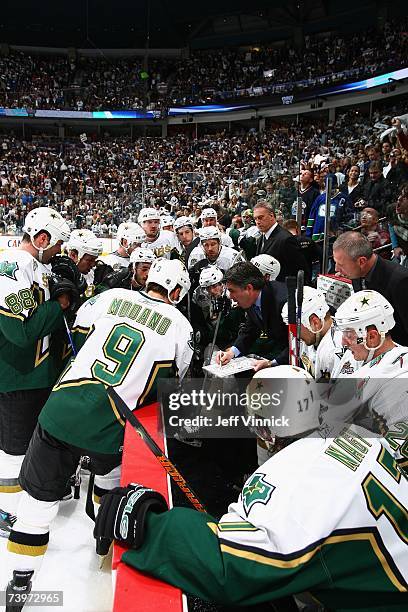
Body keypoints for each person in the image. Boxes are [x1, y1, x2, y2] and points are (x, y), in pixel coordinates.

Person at [94, 364, 408, 610]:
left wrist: (155, 526)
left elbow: (232, 566)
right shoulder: (359, 435)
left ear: (268, 428)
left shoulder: (298, 473)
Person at [4, 259, 193, 602]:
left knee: (36, 503)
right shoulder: (181, 326)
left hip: (60, 410)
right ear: (177, 292)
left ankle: (19, 580)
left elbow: (76, 338)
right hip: (112, 425)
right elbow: (168, 389)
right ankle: (103, 541)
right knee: (109, 482)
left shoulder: (111, 297)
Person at [0, 208, 72, 536]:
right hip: (18, 378)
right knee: (13, 450)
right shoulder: (12, 266)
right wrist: (57, 305)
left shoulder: (37, 266)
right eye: (57, 243)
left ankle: (19, 504)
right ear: (42, 238)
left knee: (25, 446)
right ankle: (5, 512)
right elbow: (21, 332)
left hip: (34, 375)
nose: (59, 251)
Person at [330, 289, 408, 431]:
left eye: (349, 334)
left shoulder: (399, 381)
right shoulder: (355, 355)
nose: (343, 342)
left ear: (372, 337)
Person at [333, 231, 408, 345]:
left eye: (341, 265)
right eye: (335, 263)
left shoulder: (400, 281)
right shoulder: (356, 273)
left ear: (361, 261)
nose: (336, 269)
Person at [217, 262, 288, 370]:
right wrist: (231, 352)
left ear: (249, 288)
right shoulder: (251, 299)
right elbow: (250, 329)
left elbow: (298, 343)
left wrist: (272, 363)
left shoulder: (283, 302)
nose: (230, 296)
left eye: (232, 291)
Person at [253, 202, 308, 282]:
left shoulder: (286, 239)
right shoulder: (261, 238)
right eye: (255, 219)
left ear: (271, 216)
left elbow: (300, 271)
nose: (257, 222)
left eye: (260, 217)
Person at [66, 228, 104, 295]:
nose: (93, 265)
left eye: (94, 260)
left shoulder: (92, 273)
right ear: (73, 255)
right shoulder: (61, 278)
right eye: (89, 260)